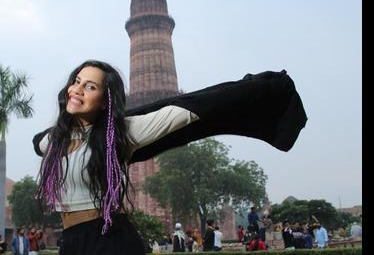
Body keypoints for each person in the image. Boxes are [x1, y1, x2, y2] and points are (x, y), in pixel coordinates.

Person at [32, 60, 307, 255]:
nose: (78, 89)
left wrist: (257, 88)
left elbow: (185, 111)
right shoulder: (53, 140)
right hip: (71, 242)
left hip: (108, 240)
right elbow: (39, 142)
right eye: (76, 81)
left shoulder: (122, 134)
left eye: (90, 86)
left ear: (106, 100)